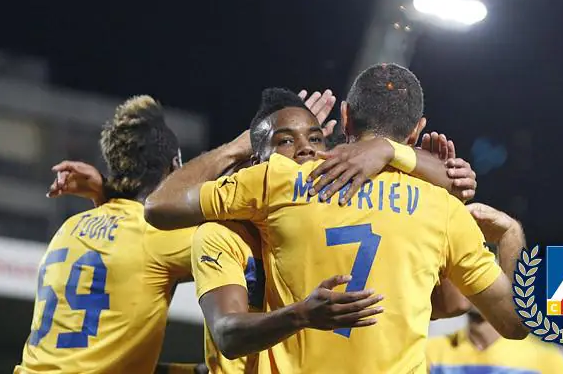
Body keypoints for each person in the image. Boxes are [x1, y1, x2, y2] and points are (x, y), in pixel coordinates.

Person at [145, 64, 525, 374]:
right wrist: (511, 233)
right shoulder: (441, 206)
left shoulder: (279, 180)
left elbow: (159, 204)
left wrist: (239, 145)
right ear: (417, 130)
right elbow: (517, 323)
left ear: (344, 117)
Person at [190, 88, 478, 373]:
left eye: (316, 139)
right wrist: (236, 148)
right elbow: (227, 335)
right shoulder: (221, 235)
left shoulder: (336, 227)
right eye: (285, 141)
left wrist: (434, 197)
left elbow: (449, 304)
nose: (306, 149)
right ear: (256, 164)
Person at [14, 96, 249, 374]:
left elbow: (92, 352)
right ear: (174, 166)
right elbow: (248, 249)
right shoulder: (158, 234)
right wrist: (242, 151)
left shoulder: (69, 228)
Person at [426, 205, 563, 374]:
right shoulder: (431, 352)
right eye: (468, 270)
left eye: (485, 273)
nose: (477, 281)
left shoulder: (545, 358)